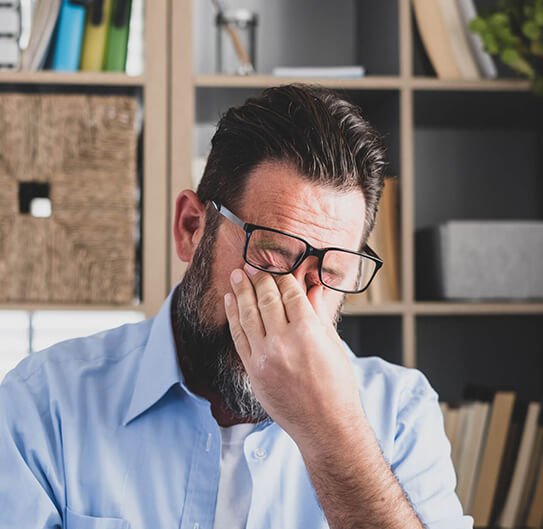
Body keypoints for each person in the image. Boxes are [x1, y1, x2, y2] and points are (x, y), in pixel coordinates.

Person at [0, 84, 473, 529]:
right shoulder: (44, 404)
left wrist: (332, 434)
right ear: (191, 228)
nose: (296, 306)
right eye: (271, 255)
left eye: (330, 273)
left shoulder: (400, 413)